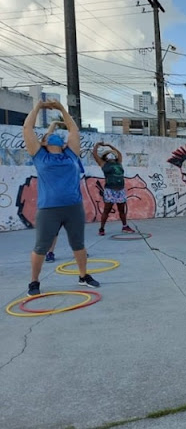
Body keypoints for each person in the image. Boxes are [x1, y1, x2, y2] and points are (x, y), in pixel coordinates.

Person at [23, 100, 99, 296]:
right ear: (45, 142)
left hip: (73, 207)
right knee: (41, 247)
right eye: (50, 136)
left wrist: (62, 109)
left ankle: (83, 276)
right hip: (48, 209)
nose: (54, 137)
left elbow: (73, 129)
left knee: (78, 244)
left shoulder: (71, 154)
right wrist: (38, 107)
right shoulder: (39, 155)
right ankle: (34, 282)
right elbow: (27, 127)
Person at [92, 141, 135, 236]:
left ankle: (125, 226)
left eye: (112, 154)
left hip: (120, 190)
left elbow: (118, 153)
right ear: (105, 157)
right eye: (108, 155)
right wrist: (97, 145)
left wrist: (109, 145)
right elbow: (94, 154)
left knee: (122, 210)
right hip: (110, 190)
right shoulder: (103, 163)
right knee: (107, 210)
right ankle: (101, 228)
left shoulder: (118, 162)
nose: (111, 156)